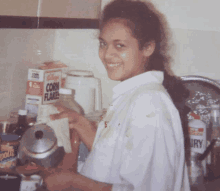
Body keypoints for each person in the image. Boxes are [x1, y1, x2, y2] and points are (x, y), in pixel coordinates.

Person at [44, 0, 191, 190]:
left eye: (119, 46)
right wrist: (81, 123)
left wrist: (73, 181)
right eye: (103, 44)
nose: (106, 54)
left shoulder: (149, 105)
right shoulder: (133, 93)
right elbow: (112, 158)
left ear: (147, 48)